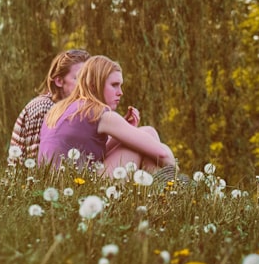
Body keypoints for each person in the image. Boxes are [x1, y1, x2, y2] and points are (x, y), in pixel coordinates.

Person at [38, 55, 176, 176]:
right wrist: (177, 174)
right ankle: (164, 195)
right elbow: (162, 155)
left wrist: (122, 133)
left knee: (143, 137)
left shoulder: (58, 110)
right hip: (83, 188)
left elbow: (94, 155)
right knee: (148, 133)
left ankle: (156, 195)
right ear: (93, 86)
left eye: (120, 86)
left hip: (58, 185)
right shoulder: (101, 112)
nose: (120, 92)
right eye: (114, 85)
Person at [9, 49, 91, 164]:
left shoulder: (73, 111)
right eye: (79, 78)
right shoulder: (44, 107)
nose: (86, 85)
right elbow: (38, 164)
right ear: (59, 81)